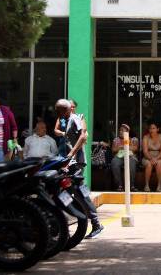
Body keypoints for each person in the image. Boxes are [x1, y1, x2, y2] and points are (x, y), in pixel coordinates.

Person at [55, 99, 103, 239]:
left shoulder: (75, 118)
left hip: (76, 164)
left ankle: (95, 224)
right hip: (71, 163)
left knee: (79, 193)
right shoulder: (66, 120)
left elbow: (83, 135)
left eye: (59, 110)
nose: (57, 113)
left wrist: (71, 154)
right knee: (68, 193)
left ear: (66, 109)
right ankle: (65, 221)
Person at [110, 124, 139, 192]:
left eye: (122, 130)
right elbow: (113, 149)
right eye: (120, 130)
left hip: (130, 156)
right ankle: (119, 185)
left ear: (127, 132)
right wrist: (120, 147)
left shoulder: (133, 139)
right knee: (114, 163)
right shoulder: (116, 140)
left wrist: (124, 146)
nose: (120, 132)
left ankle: (131, 186)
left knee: (132, 163)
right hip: (119, 156)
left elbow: (135, 148)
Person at [142, 121, 161, 192]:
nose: (151, 130)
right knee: (149, 164)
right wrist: (151, 158)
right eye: (150, 128)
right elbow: (145, 151)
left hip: (159, 157)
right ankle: (146, 185)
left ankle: (159, 185)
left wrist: (156, 158)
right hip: (147, 157)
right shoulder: (146, 137)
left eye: (153, 128)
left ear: (157, 129)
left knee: (159, 164)